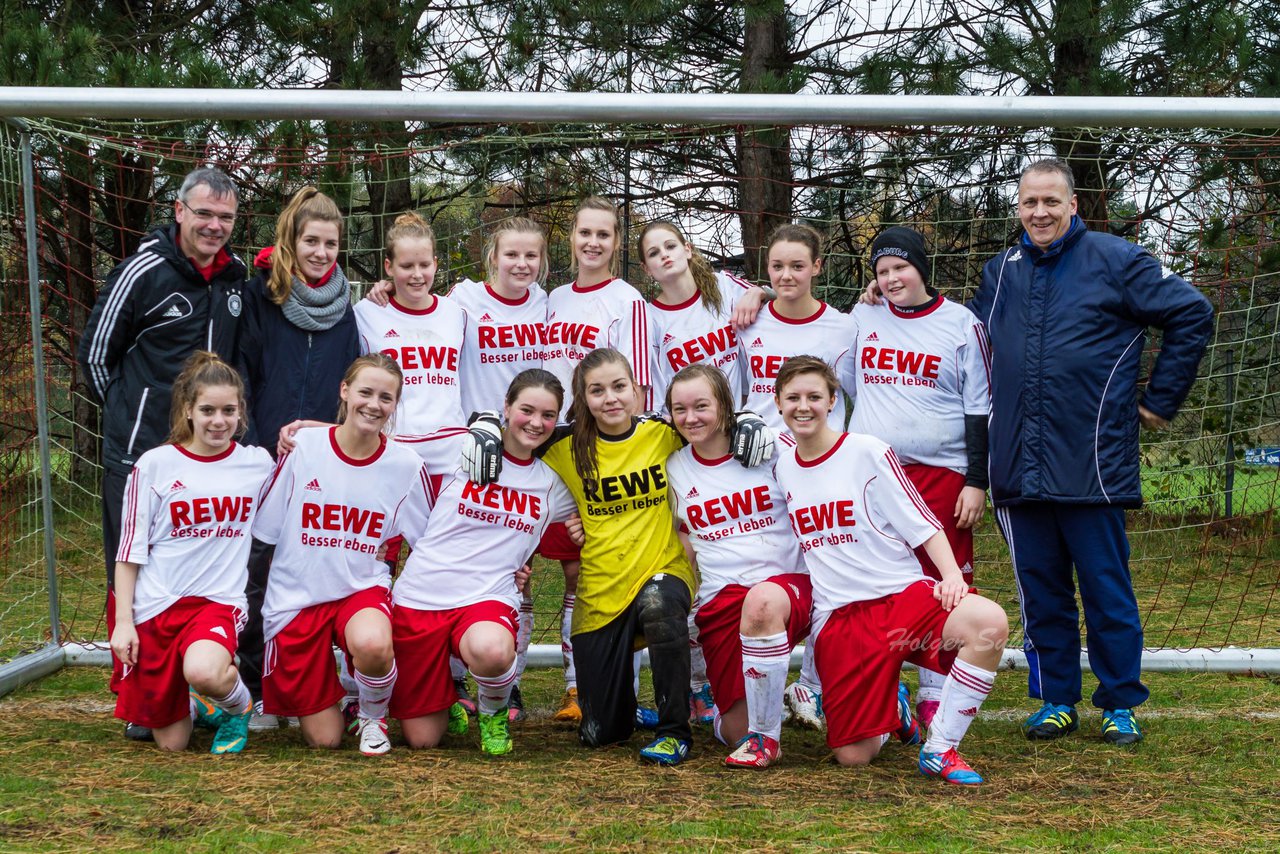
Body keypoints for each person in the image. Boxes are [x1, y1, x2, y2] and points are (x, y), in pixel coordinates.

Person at [970, 159, 1214, 745]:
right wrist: (891, 295)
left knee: (1106, 588)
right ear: (1018, 208)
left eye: (1051, 202)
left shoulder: (1116, 259)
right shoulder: (999, 271)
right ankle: (1055, 698)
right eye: (1030, 203)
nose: (1040, 213)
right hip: (1016, 468)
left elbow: (1192, 312)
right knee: (1040, 591)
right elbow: (963, 339)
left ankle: (1120, 702)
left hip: (1093, 464)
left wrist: (1160, 399)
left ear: (1073, 204)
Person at [463, 347, 773, 765]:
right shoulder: (563, 444)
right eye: (597, 390)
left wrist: (749, 420)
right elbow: (518, 431)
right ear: (583, 398)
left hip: (661, 570)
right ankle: (625, 713)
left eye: (619, 386)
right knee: (600, 734)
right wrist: (482, 425)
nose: (610, 398)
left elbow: (712, 422)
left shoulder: (665, 433)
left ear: (638, 391)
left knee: (661, 606)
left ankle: (674, 730)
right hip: (601, 590)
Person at [771, 356, 1009, 785]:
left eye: (813, 397)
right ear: (778, 402)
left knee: (988, 624)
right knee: (853, 757)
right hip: (841, 619)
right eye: (792, 398)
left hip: (902, 600)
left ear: (832, 402)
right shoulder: (782, 466)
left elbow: (921, 523)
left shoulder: (866, 451)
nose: (803, 406)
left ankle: (941, 748)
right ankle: (892, 712)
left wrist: (952, 576)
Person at [78, 165, 246, 741]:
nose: (214, 226)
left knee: (196, 568)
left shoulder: (234, 280)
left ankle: (204, 684)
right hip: (138, 455)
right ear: (179, 211)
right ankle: (140, 696)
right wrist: (133, 423)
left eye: (225, 217)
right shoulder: (144, 271)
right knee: (131, 567)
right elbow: (98, 354)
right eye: (204, 213)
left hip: (207, 456)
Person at [390, 370, 580, 755]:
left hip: (486, 598)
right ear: (506, 407)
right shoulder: (457, 448)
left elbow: (603, 508)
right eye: (526, 410)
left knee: (493, 651)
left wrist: (581, 531)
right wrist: (304, 432)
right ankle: (444, 697)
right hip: (421, 596)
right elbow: (383, 446)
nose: (536, 423)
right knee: (422, 740)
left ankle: (493, 714)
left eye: (548, 415)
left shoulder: (552, 484)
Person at [252, 354, 432, 756]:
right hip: (297, 598)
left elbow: (433, 542)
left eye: (386, 397)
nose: (374, 404)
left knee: (371, 642)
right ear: (344, 391)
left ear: (395, 405)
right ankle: (342, 694)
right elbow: (264, 529)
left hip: (360, 589)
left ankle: (372, 713)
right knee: (326, 740)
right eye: (365, 392)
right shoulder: (304, 447)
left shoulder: (406, 465)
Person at [626, 220, 769, 724]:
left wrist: (761, 292)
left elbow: (776, 290)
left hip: (744, 438)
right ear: (645, 268)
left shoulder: (725, 289)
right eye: (653, 252)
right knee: (689, 556)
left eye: (671, 246)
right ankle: (692, 686)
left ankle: (797, 683)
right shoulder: (647, 318)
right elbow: (655, 387)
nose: (664, 256)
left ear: (688, 250)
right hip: (688, 443)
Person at [851, 225, 992, 728]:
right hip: (875, 476)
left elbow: (980, 407)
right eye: (882, 271)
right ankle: (887, 691)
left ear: (921, 268)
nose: (891, 279)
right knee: (882, 584)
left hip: (943, 475)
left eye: (900, 268)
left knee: (942, 584)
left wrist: (977, 480)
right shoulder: (863, 315)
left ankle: (937, 692)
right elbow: (847, 382)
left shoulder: (960, 324)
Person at [238, 187, 360, 731]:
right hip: (264, 454)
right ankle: (256, 683)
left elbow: (350, 386)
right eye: (311, 240)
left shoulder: (347, 310)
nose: (320, 252)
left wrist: (331, 440)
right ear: (292, 240)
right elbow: (241, 373)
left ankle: (318, 680)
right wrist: (255, 441)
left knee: (314, 569)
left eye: (331, 243)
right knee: (257, 570)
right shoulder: (260, 298)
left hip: (322, 461)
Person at [110, 352, 274, 753]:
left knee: (203, 670)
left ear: (241, 412)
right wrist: (124, 623)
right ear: (188, 410)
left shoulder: (258, 465)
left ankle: (237, 708)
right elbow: (129, 551)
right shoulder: (154, 465)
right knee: (172, 745)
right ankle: (200, 707)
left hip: (217, 603)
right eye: (207, 410)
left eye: (228, 410)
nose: (219, 421)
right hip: (157, 606)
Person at [738, 222, 857, 730]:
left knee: (829, 570)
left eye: (797, 265)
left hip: (822, 470)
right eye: (776, 267)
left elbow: (855, 396)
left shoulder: (844, 327)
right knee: (772, 572)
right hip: (762, 471)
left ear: (818, 268)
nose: (787, 275)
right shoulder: (749, 321)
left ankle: (812, 681)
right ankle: (749, 676)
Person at [665, 364, 810, 768]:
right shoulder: (673, 468)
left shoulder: (770, 446)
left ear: (726, 406)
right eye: (680, 409)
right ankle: (763, 709)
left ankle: (790, 721)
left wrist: (757, 422)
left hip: (789, 587)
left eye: (702, 406)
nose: (691, 417)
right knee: (733, 731)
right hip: (723, 599)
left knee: (762, 602)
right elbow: (683, 539)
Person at [354, 211, 467, 435]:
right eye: (406, 266)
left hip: (450, 446)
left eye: (424, 265)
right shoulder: (365, 314)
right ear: (389, 266)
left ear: (435, 264)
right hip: (391, 446)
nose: (417, 274)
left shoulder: (456, 313)